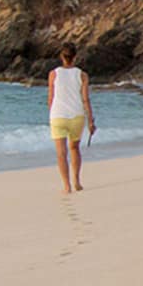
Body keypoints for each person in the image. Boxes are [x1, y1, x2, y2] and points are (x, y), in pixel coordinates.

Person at [47, 44, 94, 194]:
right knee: (74, 148)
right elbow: (86, 99)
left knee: (61, 153)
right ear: (75, 57)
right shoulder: (82, 75)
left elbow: (51, 98)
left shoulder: (53, 74)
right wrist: (91, 121)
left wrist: (52, 113)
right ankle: (77, 181)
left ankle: (66, 186)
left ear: (61, 57)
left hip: (58, 115)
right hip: (77, 116)